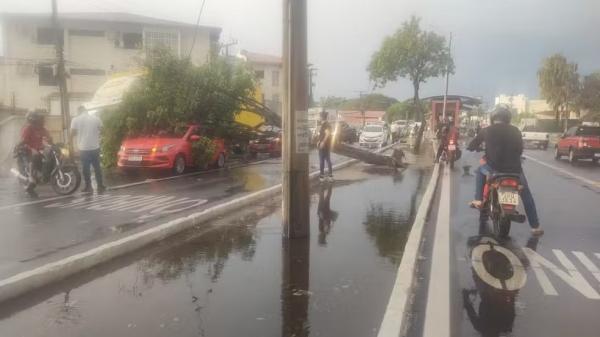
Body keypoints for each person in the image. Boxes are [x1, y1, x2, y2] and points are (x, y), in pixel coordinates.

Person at [467, 105, 543, 235]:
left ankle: (479, 199)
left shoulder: (486, 130)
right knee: (526, 194)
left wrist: (473, 148)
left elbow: (472, 145)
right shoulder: (516, 131)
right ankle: (535, 226)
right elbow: (519, 150)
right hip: (515, 171)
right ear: (508, 119)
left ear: (493, 118)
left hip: (493, 169)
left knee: (479, 171)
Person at [71, 106, 105, 193]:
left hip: (83, 148)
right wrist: (97, 137)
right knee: (97, 167)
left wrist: (69, 142)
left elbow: (72, 133)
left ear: (79, 111)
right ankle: (100, 185)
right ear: (86, 110)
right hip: (95, 146)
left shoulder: (75, 119)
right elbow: (102, 130)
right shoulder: (96, 118)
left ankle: (88, 187)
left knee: (86, 168)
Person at [20, 110, 52, 192]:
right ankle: (31, 177)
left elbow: (49, 138)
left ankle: (46, 175)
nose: (37, 122)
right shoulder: (27, 129)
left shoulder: (42, 129)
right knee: (35, 156)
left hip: (40, 150)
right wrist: (32, 149)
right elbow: (24, 142)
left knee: (51, 154)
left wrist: (51, 143)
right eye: (34, 120)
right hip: (28, 150)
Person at [317, 110, 333, 182]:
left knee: (322, 160)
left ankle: (322, 176)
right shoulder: (325, 124)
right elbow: (323, 135)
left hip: (324, 145)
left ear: (322, 117)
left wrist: (322, 142)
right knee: (327, 160)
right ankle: (329, 176)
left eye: (319, 116)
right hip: (325, 144)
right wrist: (319, 141)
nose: (319, 118)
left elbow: (327, 134)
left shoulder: (325, 124)